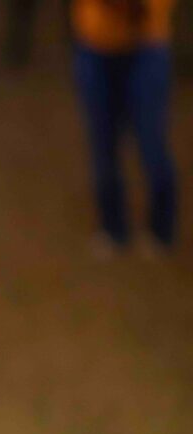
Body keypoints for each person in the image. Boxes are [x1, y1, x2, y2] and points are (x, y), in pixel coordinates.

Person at [71, 0, 179, 257]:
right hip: (94, 46)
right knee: (103, 146)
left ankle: (162, 228)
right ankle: (113, 227)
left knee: (152, 144)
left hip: (147, 47)